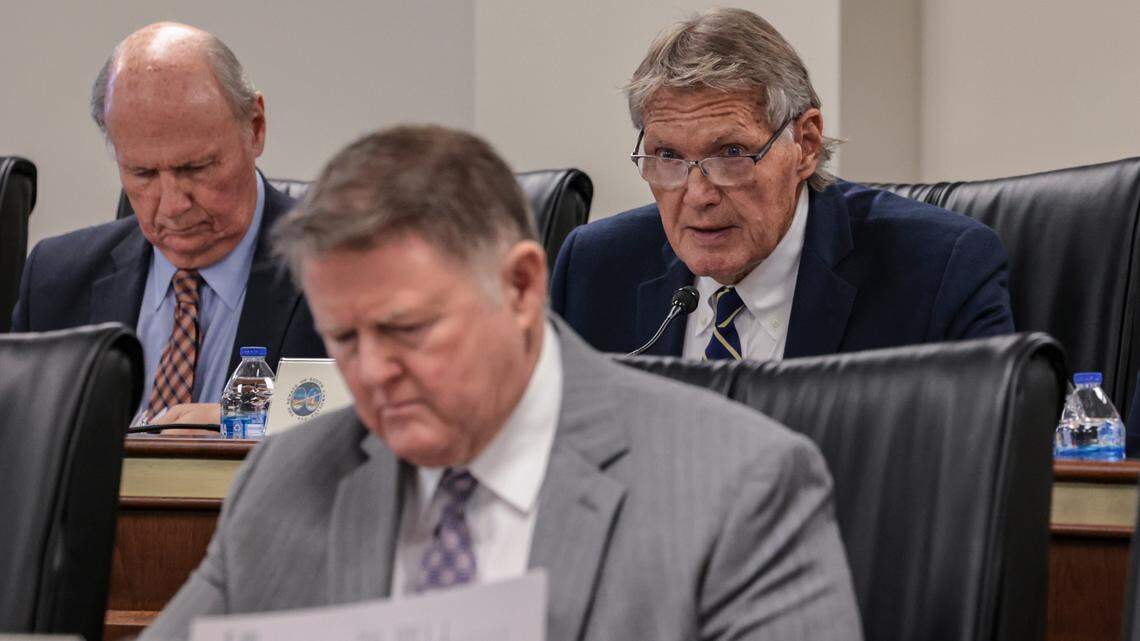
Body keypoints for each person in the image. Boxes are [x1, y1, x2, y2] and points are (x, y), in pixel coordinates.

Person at [141, 125, 862, 641]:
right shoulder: (291, 478)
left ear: (520, 286)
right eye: (346, 337)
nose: (372, 372)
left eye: (406, 329)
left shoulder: (738, 486)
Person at [551, 8, 1014, 360]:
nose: (697, 195)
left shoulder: (938, 272)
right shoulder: (595, 270)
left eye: (731, 153)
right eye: (668, 156)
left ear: (805, 145)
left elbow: (983, 469)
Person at [11, 22, 324, 426]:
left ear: (256, 128)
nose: (173, 206)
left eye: (196, 167)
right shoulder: (55, 281)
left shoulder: (343, 269)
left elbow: (380, 428)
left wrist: (246, 423)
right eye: (142, 173)